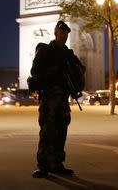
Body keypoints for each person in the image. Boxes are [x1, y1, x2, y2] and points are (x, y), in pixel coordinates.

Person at [29, 20, 85, 178]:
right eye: (61, 34)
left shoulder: (68, 54)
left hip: (63, 100)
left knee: (62, 131)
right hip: (49, 98)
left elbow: (81, 69)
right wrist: (54, 72)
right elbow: (35, 71)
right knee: (47, 131)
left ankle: (57, 163)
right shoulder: (45, 50)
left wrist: (75, 70)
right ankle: (42, 165)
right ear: (56, 33)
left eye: (66, 35)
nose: (64, 37)